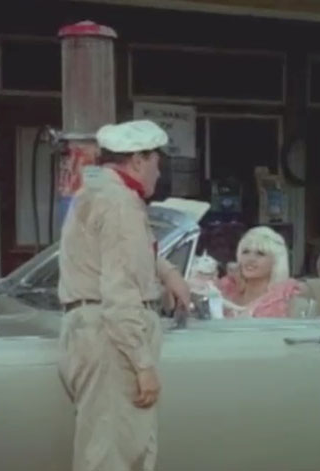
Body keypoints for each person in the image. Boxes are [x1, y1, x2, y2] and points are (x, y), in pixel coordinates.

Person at [57, 119, 191, 471]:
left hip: (91, 328)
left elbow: (116, 252)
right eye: (156, 163)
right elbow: (120, 293)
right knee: (113, 457)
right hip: (112, 338)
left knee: (112, 450)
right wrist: (142, 364)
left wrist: (167, 271)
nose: (158, 174)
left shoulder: (95, 190)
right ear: (138, 160)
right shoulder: (120, 203)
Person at [216, 226, 302, 318]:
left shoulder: (285, 293)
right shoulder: (226, 288)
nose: (250, 259)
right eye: (246, 252)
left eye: (260, 254)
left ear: (276, 261)